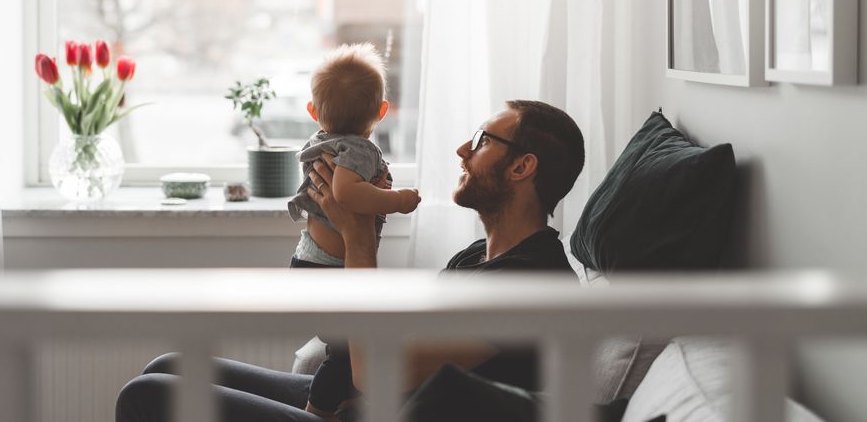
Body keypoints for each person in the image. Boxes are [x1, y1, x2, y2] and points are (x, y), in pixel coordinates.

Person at [115, 100, 585, 422]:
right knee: (169, 367)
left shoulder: (533, 281)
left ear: (523, 167)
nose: (464, 150)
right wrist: (352, 223)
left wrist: (358, 237)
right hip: (356, 404)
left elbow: (375, 369)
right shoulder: (477, 257)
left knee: (149, 396)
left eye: (482, 141)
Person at [287, 43, 421, 419]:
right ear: (381, 111)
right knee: (346, 353)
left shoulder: (320, 142)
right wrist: (396, 200)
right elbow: (346, 193)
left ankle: (339, 402)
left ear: (313, 111)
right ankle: (316, 411)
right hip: (329, 270)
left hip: (311, 261)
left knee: (343, 348)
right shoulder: (358, 150)